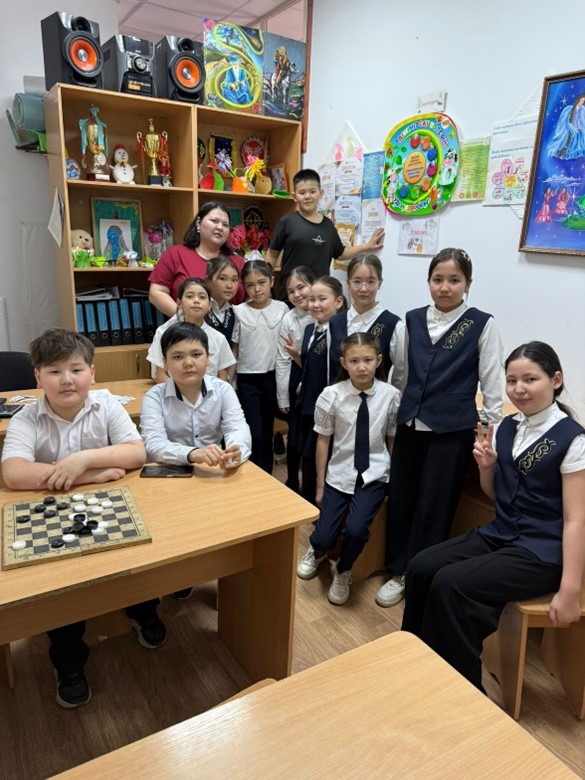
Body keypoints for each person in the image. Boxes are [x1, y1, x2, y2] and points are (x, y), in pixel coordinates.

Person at [402, 341, 585, 692]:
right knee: (421, 567)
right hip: (502, 533)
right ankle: (419, 664)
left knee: (452, 585)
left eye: (530, 379)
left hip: (542, 551)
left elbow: (577, 520)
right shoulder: (507, 426)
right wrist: (487, 468)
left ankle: (462, 692)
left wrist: (569, 590)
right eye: (512, 380)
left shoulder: (573, 440)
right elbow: (496, 495)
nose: (519, 388)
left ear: (556, 380)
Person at [0, 328, 165, 709]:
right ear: (38, 377)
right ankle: (69, 659)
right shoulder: (27, 417)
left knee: (137, 557)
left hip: (112, 507)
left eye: (76, 370)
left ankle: (143, 610)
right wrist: (87, 476)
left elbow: (136, 453)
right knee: (62, 584)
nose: (67, 380)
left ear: (92, 373)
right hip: (55, 514)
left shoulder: (106, 407)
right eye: (54, 371)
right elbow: (14, 473)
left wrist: (83, 459)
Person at [376, 247, 504, 608]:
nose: (445, 287)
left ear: (468, 284)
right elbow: (402, 374)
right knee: (402, 496)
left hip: (451, 430)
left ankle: (417, 573)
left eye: (454, 280)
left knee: (435, 504)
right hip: (410, 424)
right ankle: (396, 568)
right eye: (438, 279)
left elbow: (491, 384)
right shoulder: (412, 320)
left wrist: (489, 432)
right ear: (429, 281)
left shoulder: (481, 324)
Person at [296, 332, 401, 606]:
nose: (361, 367)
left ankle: (343, 570)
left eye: (368, 360)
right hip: (339, 474)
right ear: (344, 363)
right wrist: (320, 484)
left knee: (356, 530)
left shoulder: (391, 396)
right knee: (325, 535)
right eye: (354, 361)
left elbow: (391, 438)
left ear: (379, 360)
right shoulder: (332, 395)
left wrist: (391, 479)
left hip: (374, 475)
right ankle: (317, 549)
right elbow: (323, 441)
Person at [141, 322, 250, 472]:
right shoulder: (154, 397)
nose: (188, 363)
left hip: (214, 469)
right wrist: (192, 454)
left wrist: (236, 450)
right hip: (171, 471)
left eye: (196, 355)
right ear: (165, 363)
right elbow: (153, 444)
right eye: (178, 357)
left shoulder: (223, 390)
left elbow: (237, 428)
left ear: (208, 358)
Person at [265, 168, 385, 297]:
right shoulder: (287, 221)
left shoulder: (328, 225)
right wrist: (266, 287)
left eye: (312, 191)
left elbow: (340, 253)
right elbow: (272, 255)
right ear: (294, 197)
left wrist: (366, 246)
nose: (307, 196)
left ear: (320, 193)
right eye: (302, 192)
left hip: (319, 297)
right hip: (292, 295)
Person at [232, 260, 289, 473]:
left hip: (273, 377)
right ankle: (252, 473)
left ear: (271, 281)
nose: (256, 289)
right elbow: (234, 349)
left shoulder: (282, 309)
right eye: (250, 285)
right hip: (247, 379)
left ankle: (267, 475)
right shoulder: (239, 311)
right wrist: (230, 381)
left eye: (261, 282)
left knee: (267, 430)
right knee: (253, 432)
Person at [293, 276, 345, 504]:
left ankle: (320, 504)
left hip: (327, 405)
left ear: (338, 302)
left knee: (319, 455)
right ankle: (306, 501)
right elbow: (311, 362)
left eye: (322, 299)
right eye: (312, 299)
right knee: (305, 455)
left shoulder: (339, 332)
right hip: (307, 402)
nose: (315, 304)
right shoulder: (309, 329)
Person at [148, 202, 245, 317]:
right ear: (198, 223)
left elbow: (251, 299)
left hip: (231, 326)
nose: (220, 227)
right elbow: (156, 293)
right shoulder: (175, 254)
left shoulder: (238, 262)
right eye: (214, 221)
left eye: (225, 225)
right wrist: (187, 319)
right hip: (186, 325)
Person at [328, 254, 404, 389]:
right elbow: (329, 370)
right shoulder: (335, 322)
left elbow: (401, 376)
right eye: (357, 281)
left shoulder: (393, 325)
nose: (363, 289)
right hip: (338, 399)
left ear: (379, 283)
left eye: (371, 282)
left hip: (376, 400)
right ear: (348, 283)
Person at [146, 277, 235, 383]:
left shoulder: (219, 338)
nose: (196, 301)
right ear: (179, 303)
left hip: (210, 392)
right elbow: (159, 374)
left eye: (202, 297)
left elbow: (223, 375)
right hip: (173, 391)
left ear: (209, 306)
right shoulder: (163, 333)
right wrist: (178, 392)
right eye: (189, 296)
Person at [276, 266, 316, 491]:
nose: (297, 294)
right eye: (291, 291)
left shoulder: (323, 312)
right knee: (294, 434)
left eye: (301, 287)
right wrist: (283, 396)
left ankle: (313, 483)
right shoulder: (289, 318)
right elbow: (283, 359)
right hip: (296, 375)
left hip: (318, 377)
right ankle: (292, 480)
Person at [204, 256, 241, 343]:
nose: (229, 286)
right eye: (222, 279)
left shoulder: (236, 313)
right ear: (207, 280)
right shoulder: (198, 308)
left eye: (234, 280)